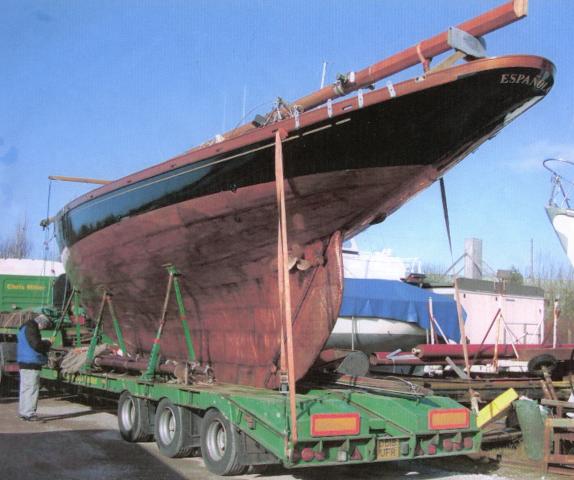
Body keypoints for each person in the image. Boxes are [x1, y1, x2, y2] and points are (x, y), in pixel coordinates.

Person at [17, 314, 52, 421]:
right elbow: (36, 345)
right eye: (44, 327)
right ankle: (29, 413)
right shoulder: (32, 328)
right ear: (41, 323)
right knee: (32, 389)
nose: (42, 329)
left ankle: (23, 411)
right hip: (31, 362)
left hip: (24, 361)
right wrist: (48, 343)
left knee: (25, 388)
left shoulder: (24, 327)